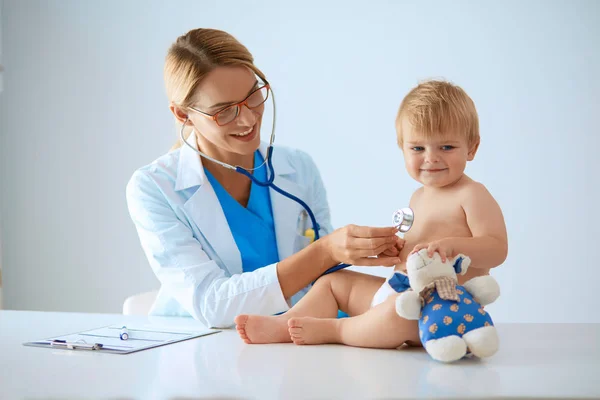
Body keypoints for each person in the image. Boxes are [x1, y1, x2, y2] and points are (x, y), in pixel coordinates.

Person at [125, 28, 403, 328]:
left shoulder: (297, 167)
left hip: (292, 340)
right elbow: (211, 304)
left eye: (252, 96)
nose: (247, 119)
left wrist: (368, 256)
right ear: (183, 115)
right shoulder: (154, 188)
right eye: (224, 112)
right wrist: (325, 252)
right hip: (202, 348)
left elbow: (323, 281)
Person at [235, 79, 508, 348]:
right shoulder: (419, 196)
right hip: (398, 290)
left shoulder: (472, 195)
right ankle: (288, 322)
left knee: (395, 314)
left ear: (471, 147)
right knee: (333, 282)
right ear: (402, 148)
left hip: (437, 310)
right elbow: (413, 258)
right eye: (418, 148)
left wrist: (452, 247)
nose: (431, 158)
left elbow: (497, 248)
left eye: (446, 147)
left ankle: (336, 330)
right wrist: (395, 250)